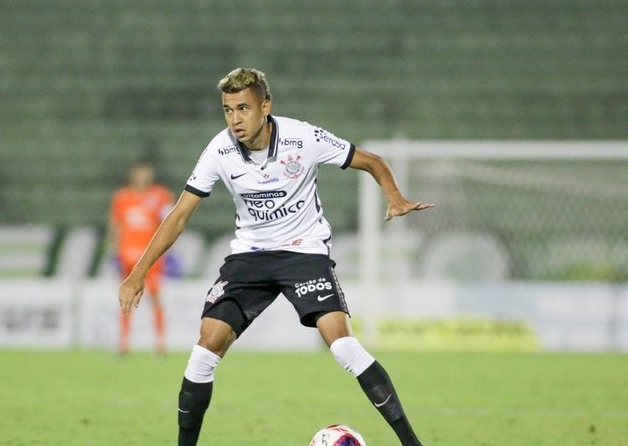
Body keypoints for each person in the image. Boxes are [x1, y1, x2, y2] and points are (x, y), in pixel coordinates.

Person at [118, 68, 433, 445]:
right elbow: (180, 214)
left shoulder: (303, 137)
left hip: (304, 253)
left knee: (344, 345)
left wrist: (394, 196)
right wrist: (138, 271)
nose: (235, 119)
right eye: (228, 110)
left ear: (265, 106)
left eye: (243, 108)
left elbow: (371, 160)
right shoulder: (219, 150)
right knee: (204, 351)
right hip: (250, 257)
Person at [109, 160, 174, 355]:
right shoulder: (122, 197)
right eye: (139, 173)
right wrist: (114, 249)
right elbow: (115, 224)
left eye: (146, 172)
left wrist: (167, 249)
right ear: (132, 174)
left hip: (150, 257)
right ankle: (124, 343)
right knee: (126, 299)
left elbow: (170, 222)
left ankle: (160, 343)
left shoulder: (160, 196)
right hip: (127, 255)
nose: (143, 176)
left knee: (155, 297)